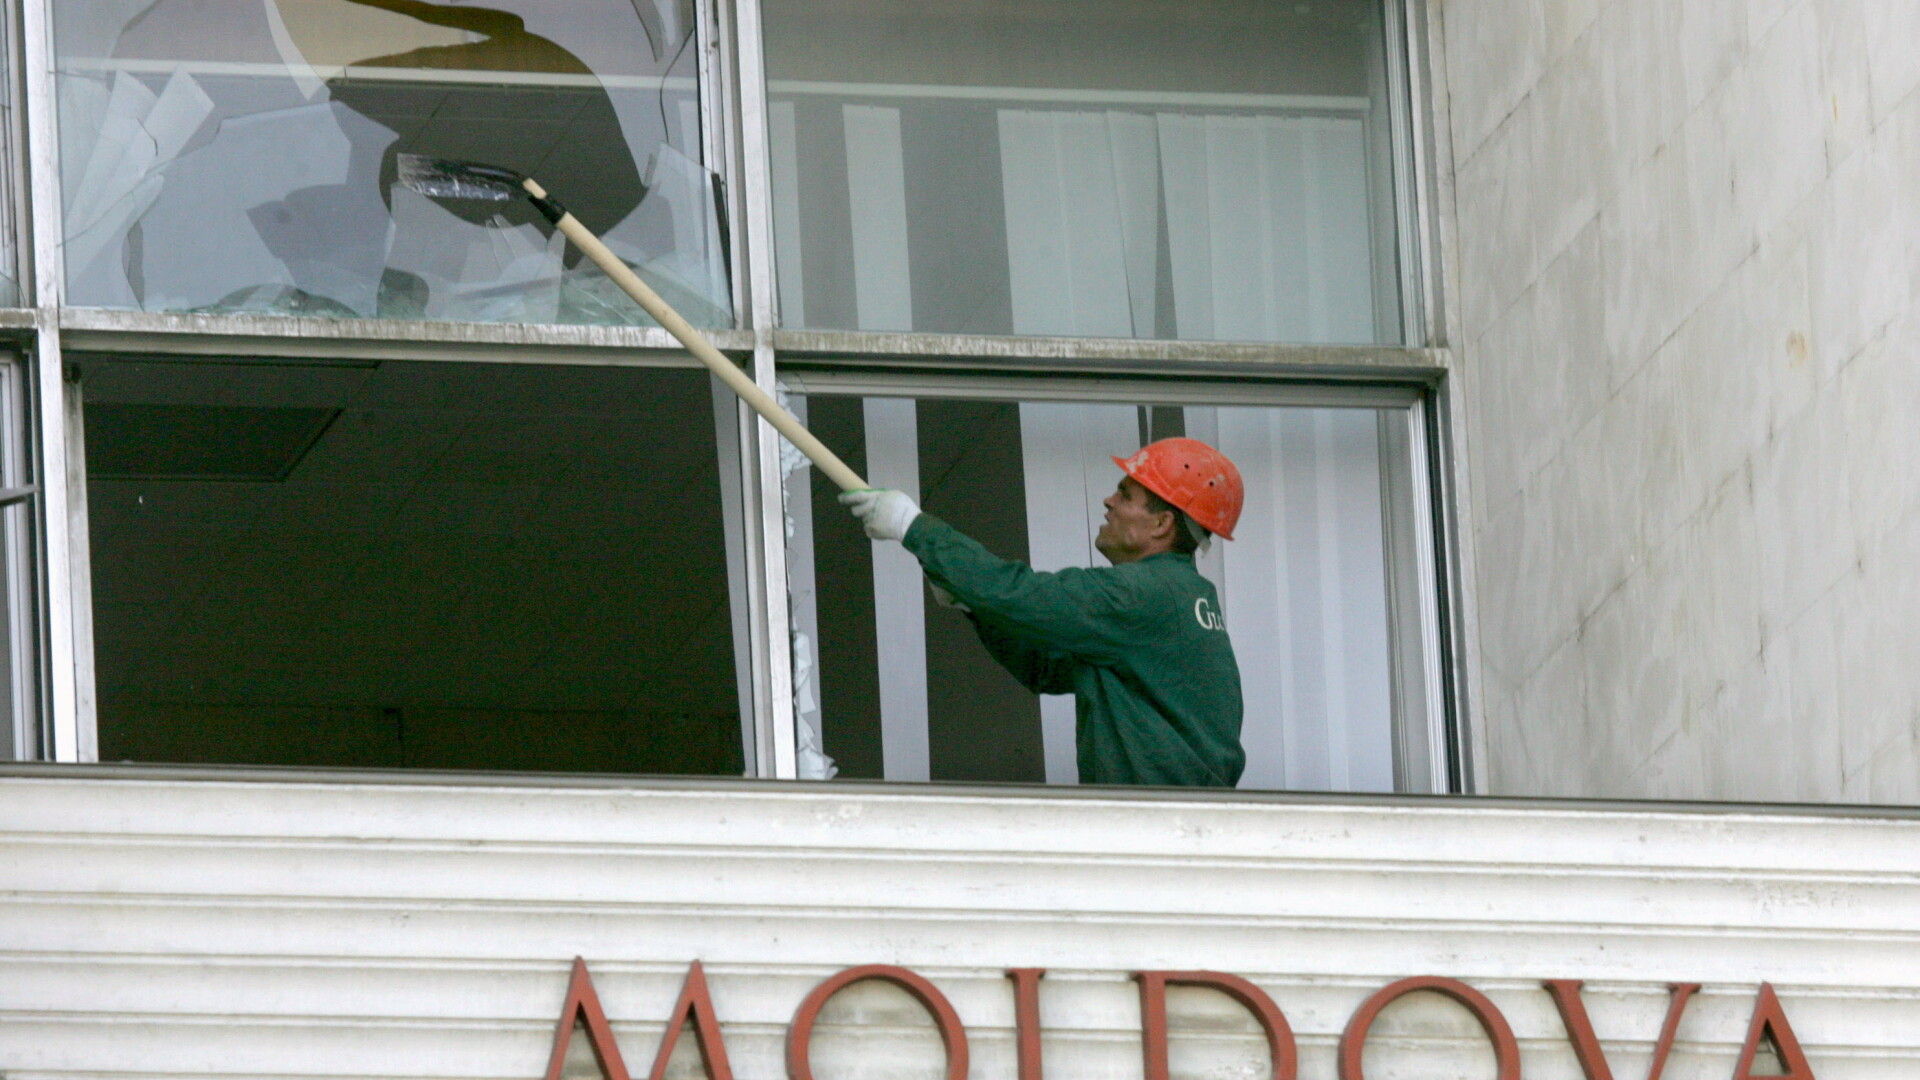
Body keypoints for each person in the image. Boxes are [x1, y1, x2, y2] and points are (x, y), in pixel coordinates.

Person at [841, 438, 1246, 787]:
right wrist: (973, 605)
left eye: (1125, 494)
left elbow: (1020, 594)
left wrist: (912, 526)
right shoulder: (1178, 597)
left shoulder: (1145, 594)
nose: (1109, 501)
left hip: (1159, 830)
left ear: (1161, 523)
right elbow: (1046, 668)